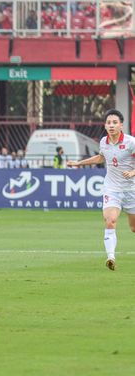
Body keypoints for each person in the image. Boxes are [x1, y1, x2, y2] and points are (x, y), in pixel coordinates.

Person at [67, 109, 135, 271]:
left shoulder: (131, 142)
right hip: (112, 189)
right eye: (109, 123)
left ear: (121, 125)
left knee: (133, 228)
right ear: (105, 125)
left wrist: (132, 172)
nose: (111, 125)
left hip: (132, 190)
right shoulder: (104, 141)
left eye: (115, 122)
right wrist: (78, 163)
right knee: (110, 220)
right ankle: (110, 257)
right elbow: (101, 157)